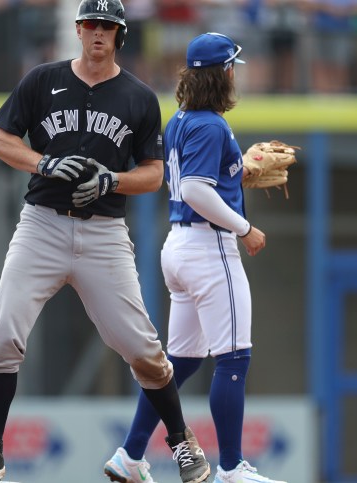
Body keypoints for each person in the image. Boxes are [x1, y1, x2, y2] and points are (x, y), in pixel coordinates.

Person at [0, 1, 211, 482]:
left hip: (103, 233)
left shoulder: (137, 96)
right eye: (91, 24)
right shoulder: (42, 80)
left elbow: (154, 174)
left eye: (108, 26)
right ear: (77, 29)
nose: (98, 32)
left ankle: (181, 441)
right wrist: (43, 163)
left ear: (120, 35)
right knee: (3, 334)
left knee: (143, 349)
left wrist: (113, 180)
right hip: (42, 225)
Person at [103, 32, 285, 483]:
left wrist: (237, 172)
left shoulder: (182, 119)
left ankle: (129, 456)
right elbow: (196, 190)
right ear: (222, 73)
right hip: (209, 248)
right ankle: (230, 468)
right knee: (234, 358)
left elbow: (199, 184)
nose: (234, 74)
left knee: (179, 363)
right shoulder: (210, 124)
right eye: (232, 68)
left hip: (179, 247)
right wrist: (245, 228)